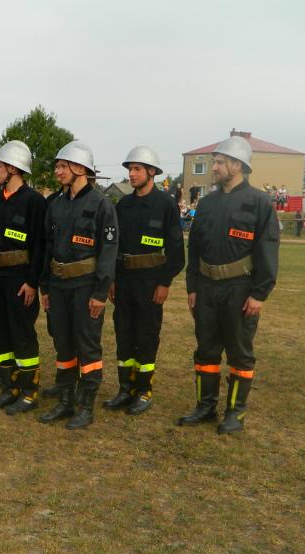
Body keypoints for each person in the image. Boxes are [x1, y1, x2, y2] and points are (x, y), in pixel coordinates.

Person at [176, 135, 279, 434]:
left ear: (237, 165)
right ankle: (205, 407)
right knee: (206, 350)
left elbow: (268, 250)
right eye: (215, 162)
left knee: (239, 353)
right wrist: (192, 287)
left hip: (240, 289)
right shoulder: (207, 203)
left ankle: (235, 412)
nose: (215, 167)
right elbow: (194, 248)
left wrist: (259, 294)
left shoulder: (259, 203)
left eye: (220, 162)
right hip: (206, 288)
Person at [37, 141, 118, 429]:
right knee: (63, 344)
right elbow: (47, 248)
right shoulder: (56, 204)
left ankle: (85, 407)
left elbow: (108, 252)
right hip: (58, 287)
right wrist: (45, 287)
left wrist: (100, 293)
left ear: (80, 169)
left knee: (87, 347)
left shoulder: (101, 205)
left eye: (63, 166)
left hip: (86, 288)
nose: (57, 171)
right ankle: (65, 401)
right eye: (57, 166)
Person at [103, 146, 185, 416]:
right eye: (130, 169)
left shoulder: (165, 205)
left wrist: (164, 283)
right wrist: (112, 280)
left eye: (137, 169)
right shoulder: (123, 205)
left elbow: (176, 251)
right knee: (124, 334)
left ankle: (144, 391)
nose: (132, 174)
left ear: (152, 172)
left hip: (150, 284)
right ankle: (125, 389)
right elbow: (114, 246)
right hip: (124, 282)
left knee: (146, 336)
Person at [0, 140, 47, 415]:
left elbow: (40, 246)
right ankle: (9, 388)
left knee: (22, 333)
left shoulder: (34, 202)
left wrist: (32, 282)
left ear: (14, 168)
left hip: (20, 279)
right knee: (0, 332)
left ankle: (29, 391)